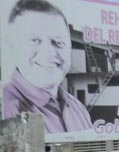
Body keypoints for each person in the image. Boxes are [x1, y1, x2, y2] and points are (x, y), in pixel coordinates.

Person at [3, 0, 92, 133]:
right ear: (12, 45)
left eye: (58, 42)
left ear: (70, 47)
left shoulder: (78, 108)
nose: (49, 53)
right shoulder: (6, 108)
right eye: (35, 40)